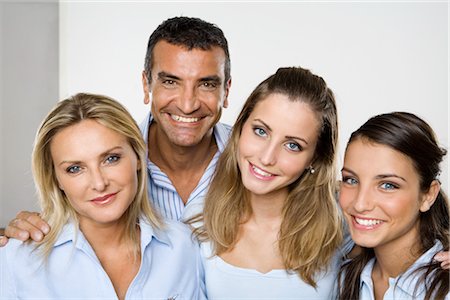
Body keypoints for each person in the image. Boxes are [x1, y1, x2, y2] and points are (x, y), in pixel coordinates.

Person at [0, 16, 232, 244]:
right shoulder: (105, 160)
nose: (187, 104)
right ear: (146, 84)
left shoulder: (256, 162)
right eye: (170, 82)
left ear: (226, 90)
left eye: (207, 84)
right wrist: (26, 234)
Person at [0, 93, 204, 299]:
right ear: (56, 179)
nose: (99, 183)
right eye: (75, 168)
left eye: (111, 158)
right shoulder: (18, 260)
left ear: (139, 157)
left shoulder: (184, 247)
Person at [190, 66, 350, 299]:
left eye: (292, 145)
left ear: (314, 157)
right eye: (260, 131)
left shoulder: (342, 223)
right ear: (240, 128)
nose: (266, 158)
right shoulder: (199, 221)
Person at [337, 112, 449, 299]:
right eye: (351, 180)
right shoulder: (342, 279)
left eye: (388, 185)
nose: (360, 203)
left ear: (428, 195)